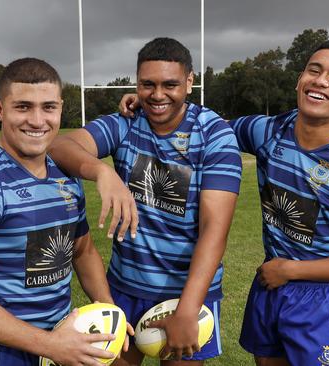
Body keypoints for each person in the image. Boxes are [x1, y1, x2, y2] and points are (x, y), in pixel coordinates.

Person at [120, 39, 329, 366]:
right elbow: (207, 128)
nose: (321, 80)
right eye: (314, 70)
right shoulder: (269, 131)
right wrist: (158, 101)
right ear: (300, 79)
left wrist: (292, 270)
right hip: (271, 283)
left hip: (322, 298)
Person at [48, 37, 242, 365]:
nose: (157, 94)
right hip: (125, 286)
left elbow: (214, 230)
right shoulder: (127, 122)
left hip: (186, 294)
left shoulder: (213, 135)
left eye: (170, 84)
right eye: (147, 84)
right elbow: (60, 146)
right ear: (136, 82)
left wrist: (188, 310)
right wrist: (102, 172)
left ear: (190, 82)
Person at [0, 57, 124, 366]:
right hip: (2, 355)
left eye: (48, 107)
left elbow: (82, 250)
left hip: (61, 343)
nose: (38, 121)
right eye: (23, 107)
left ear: (61, 108)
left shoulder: (66, 178)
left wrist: (108, 309)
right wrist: (50, 345)